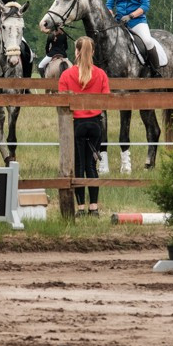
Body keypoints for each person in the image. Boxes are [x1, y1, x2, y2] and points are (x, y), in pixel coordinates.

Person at [57, 36, 110, 216]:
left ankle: (80, 207)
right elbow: (106, 100)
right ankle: (94, 207)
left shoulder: (66, 74)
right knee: (92, 165)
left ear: (77, 52)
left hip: (76, 124)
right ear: (93, 52)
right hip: (95, 123)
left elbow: (62, 101)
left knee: (79, 165)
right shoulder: (101, 74)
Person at [106, 0, 160, 76]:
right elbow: (109, 5)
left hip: (137, 22)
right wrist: (110, 14)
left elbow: (145, 5)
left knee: (148, 41)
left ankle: (155, 71)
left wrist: (130, 16)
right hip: (119, 22)